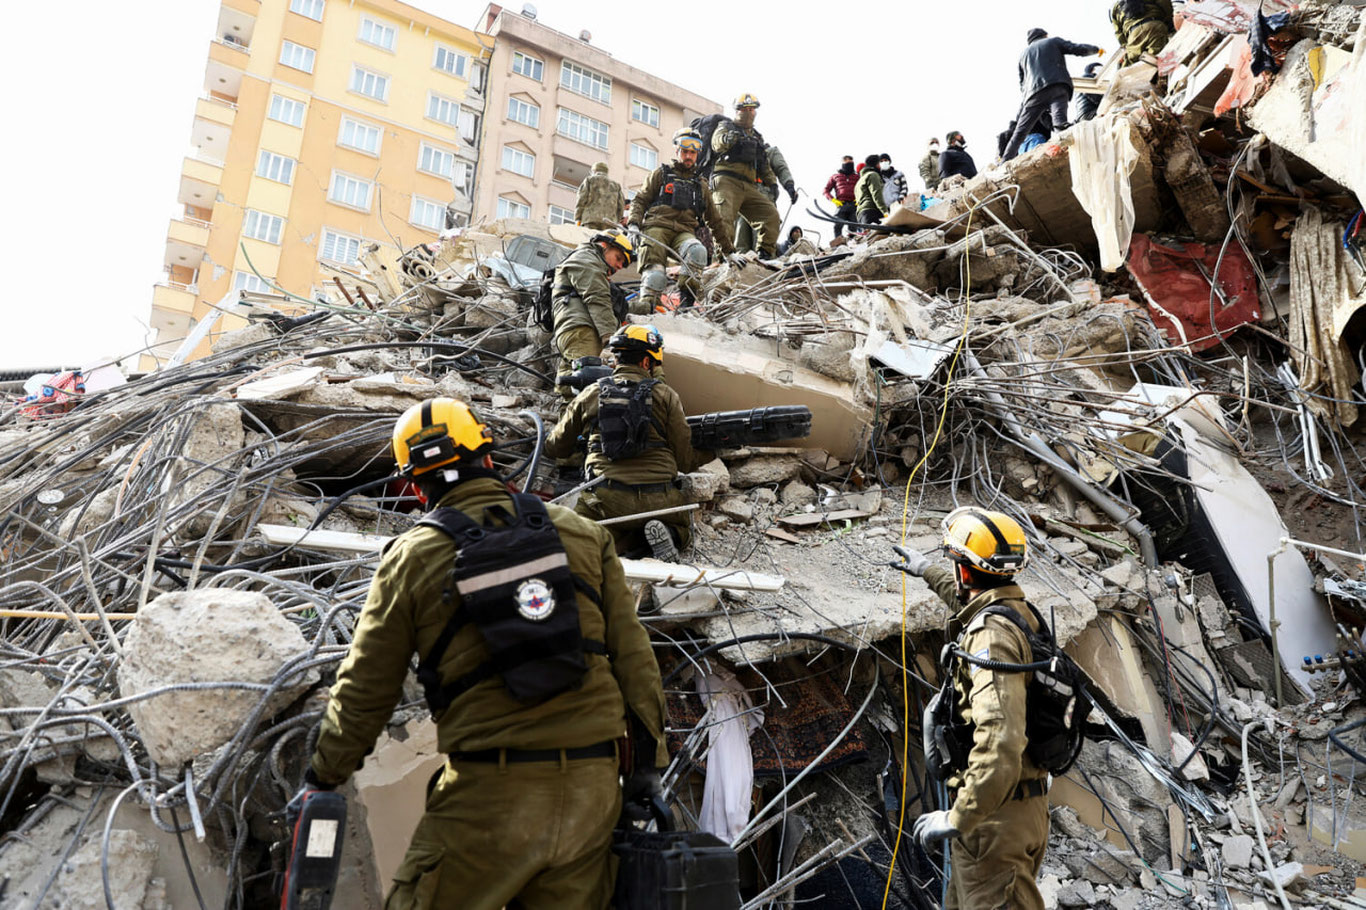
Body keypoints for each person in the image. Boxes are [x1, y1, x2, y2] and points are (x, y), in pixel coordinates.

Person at [302, 397, 668, 910]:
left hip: (490, 799)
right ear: (489, 456)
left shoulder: (411, 559)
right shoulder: (584, 535)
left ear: (412, 485)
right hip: (593, 791)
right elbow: (636, 663)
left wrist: (324, 774)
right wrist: (647, 770)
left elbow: (366, 687)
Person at [900, 508, 1049, 910]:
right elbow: (973, 603)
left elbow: (1001, 741)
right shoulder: (1017, 613)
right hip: (1016, 809)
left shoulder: (991, 636)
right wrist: (928, 571)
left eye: (954, 564)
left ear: (965, 571)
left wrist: (958, 818)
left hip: (992, 821)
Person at [544, 325, 713, 562]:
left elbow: (555, 447)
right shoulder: (667, 396)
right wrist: (713, 451)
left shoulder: (591, 393)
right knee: (684, 529)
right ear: (646, 363)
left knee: (589, 530)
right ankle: (664, 536)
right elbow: (684, 459)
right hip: (659, 499)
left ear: (616, 358)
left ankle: (610, 541)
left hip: (608, 498)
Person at [627, 128, 733, 311]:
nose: (688, 156)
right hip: (656, 228)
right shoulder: (660, 174)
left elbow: (715, 220)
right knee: (655, 276)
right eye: (685, 151)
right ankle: (647, 308)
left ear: (697, 154)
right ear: (677, 151)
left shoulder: (700, 185)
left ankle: (685, 307)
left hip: (683, 232)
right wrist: (634, 224)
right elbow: (640, 200)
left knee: (698, 252)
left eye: (693, 152)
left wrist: (729, 252)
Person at [550, 232, 636, 398]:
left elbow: (611, 301)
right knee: (585, 390)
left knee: (571, 385)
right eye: (618, 258)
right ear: (604, 246)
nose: (619, 266)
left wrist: (646, 306)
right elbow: (598, 299)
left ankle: (566, 421)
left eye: (622, 263)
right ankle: (577, 421)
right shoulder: (587, 260)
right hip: (581, 331)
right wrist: (611, 340)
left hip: (578, 330)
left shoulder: (592, 264)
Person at [1002, 28, 1103, 161]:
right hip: (1057, 86)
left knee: (1020, 131)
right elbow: (1076, 49)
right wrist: (1096, 49)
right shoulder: (1052, 42)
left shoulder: (1023, 55)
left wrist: (1029, 93)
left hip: (1033, 94)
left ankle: (1004, 160)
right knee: (1059, 122)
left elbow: (1022, 82)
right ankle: (1066, 150)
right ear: (1044, 35)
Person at [710, 93, 788, 258]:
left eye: (752, 109)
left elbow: (764, 164)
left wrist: (772, 184)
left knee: (771, 216)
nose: (749, 112)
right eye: (745, 109)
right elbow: (716, 143)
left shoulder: (756, 137)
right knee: (724, 221)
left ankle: (765, 254)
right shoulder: (726, 126)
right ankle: (724, 257)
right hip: (726, 181)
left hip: (749, 185)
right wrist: (729, 138)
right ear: (737, 110)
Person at [736, 144, 796, 253]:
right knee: (741, 240)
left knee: (762, 237)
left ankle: (764, 261)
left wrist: (789, 186)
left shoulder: (770, 152)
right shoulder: (739, 151)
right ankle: (742, 267)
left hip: (762, 194)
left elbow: (781, 168)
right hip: (742, 195)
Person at [1110, 0, 1175, 65]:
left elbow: (1119, 34)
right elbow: (1166, 6)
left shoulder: (1115, 7)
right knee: (1159, 62)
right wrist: (1170, 23)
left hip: (1133, 35)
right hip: (1154, 26)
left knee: (1132, 68)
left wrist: (1127, 46)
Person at [575, 162, 626, 230]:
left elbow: (581, 200)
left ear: (594, 171)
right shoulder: (616, 185)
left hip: (590, 220)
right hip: (610, 223)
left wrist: (578, 218)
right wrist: (616, 220)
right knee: (605, 240)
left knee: (590, 239)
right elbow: (621, 206)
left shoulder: (589, 180)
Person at [824, 156, 859, 237]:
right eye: (846, 161)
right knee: (837, 226)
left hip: (854, 205)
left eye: (851, 161)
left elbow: (864, 190)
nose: (849, 163)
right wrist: (833, 200)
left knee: (853, 227)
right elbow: (826, 190)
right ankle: (838, 243)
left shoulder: (857, 177)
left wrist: (860, 200)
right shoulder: (835, 177)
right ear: (842, 163)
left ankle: (853, 243)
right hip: (841, 204)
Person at [855, 154, 889, 225]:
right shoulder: (873, 175)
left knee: (871, 235)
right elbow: (877, 195)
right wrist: (885, 212)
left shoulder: (859, 181)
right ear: (876, 164)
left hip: (861, 214)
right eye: (880, 163)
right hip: (872, 211)